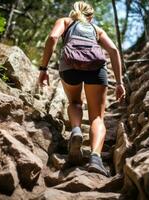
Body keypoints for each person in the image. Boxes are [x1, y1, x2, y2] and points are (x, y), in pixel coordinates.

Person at [38, 1, 125, 177]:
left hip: (69, 66)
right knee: (97, 117)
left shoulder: (65, 21)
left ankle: (76, 130)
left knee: (75, 102)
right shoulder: (96, 30)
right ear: (91, 16)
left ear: (73, 12)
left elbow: (53, 38)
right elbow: (114, 50)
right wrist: (119, 82)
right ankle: (95, 159)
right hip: (96, 69)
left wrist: (44, 69)